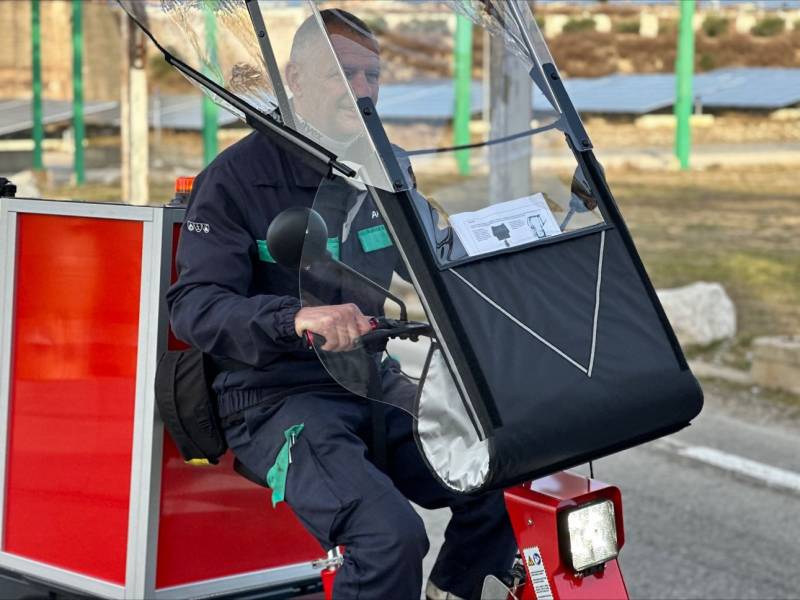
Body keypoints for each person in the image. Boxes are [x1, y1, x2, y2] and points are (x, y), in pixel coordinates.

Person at [167, 9, 516, 599]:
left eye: (372, 75)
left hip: (369, 379)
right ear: (295, 80)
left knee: (499, 472)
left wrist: (511, 259)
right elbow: (194, 305)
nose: (361, 89)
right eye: (341, 74)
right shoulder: (236, 178)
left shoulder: (384, 168)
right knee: (389, 538)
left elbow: (438, 261)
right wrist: (295, 318)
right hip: (275, 396)